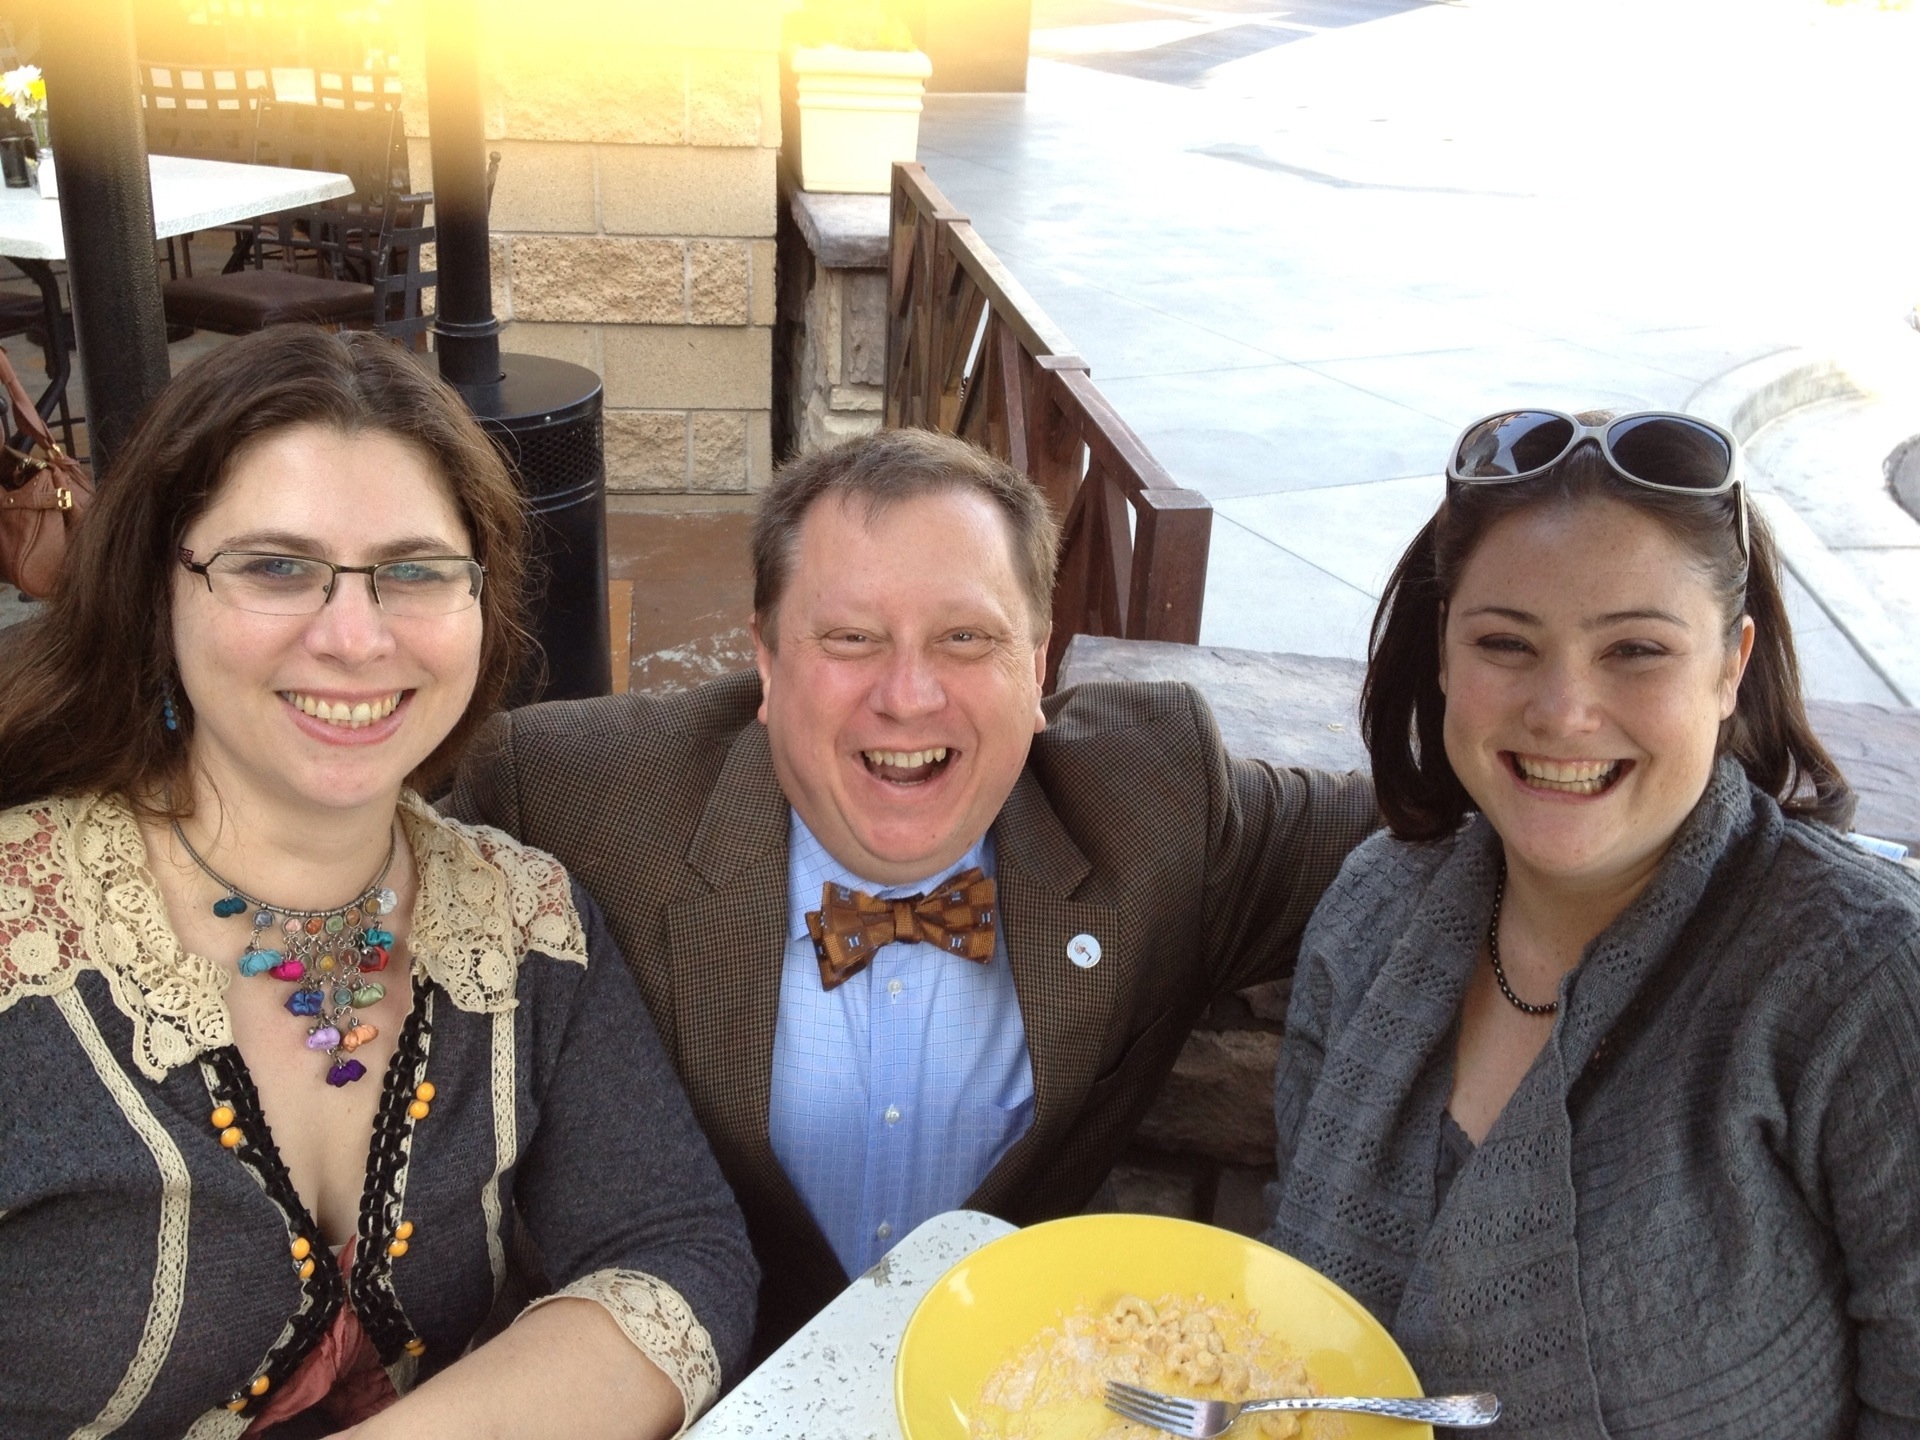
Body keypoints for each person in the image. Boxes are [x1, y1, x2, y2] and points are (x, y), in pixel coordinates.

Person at [449, 426, 1380, 1355]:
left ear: (1038, 663)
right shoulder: (573, 799)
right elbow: (380, 869)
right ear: (766, 660)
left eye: (965, 638)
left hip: (1008, 1393)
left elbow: (1419, 823)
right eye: (851, 638)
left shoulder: (1156, 801)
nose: (907, 695)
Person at [0, 328, 756, 1439]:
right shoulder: (23, 942)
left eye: (414, 570)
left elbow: (678, 1253)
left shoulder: (520, 923)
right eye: (274, 566)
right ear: (159, 591)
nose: (355, 637)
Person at [1264, 409, 1920, 1436]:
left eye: (1636, 650)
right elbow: (1280, 1328)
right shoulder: (1371, 914)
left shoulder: (1866, 981)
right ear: (1444, 655)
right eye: (1505, 643)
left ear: (1731, 666)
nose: (1563, 711)